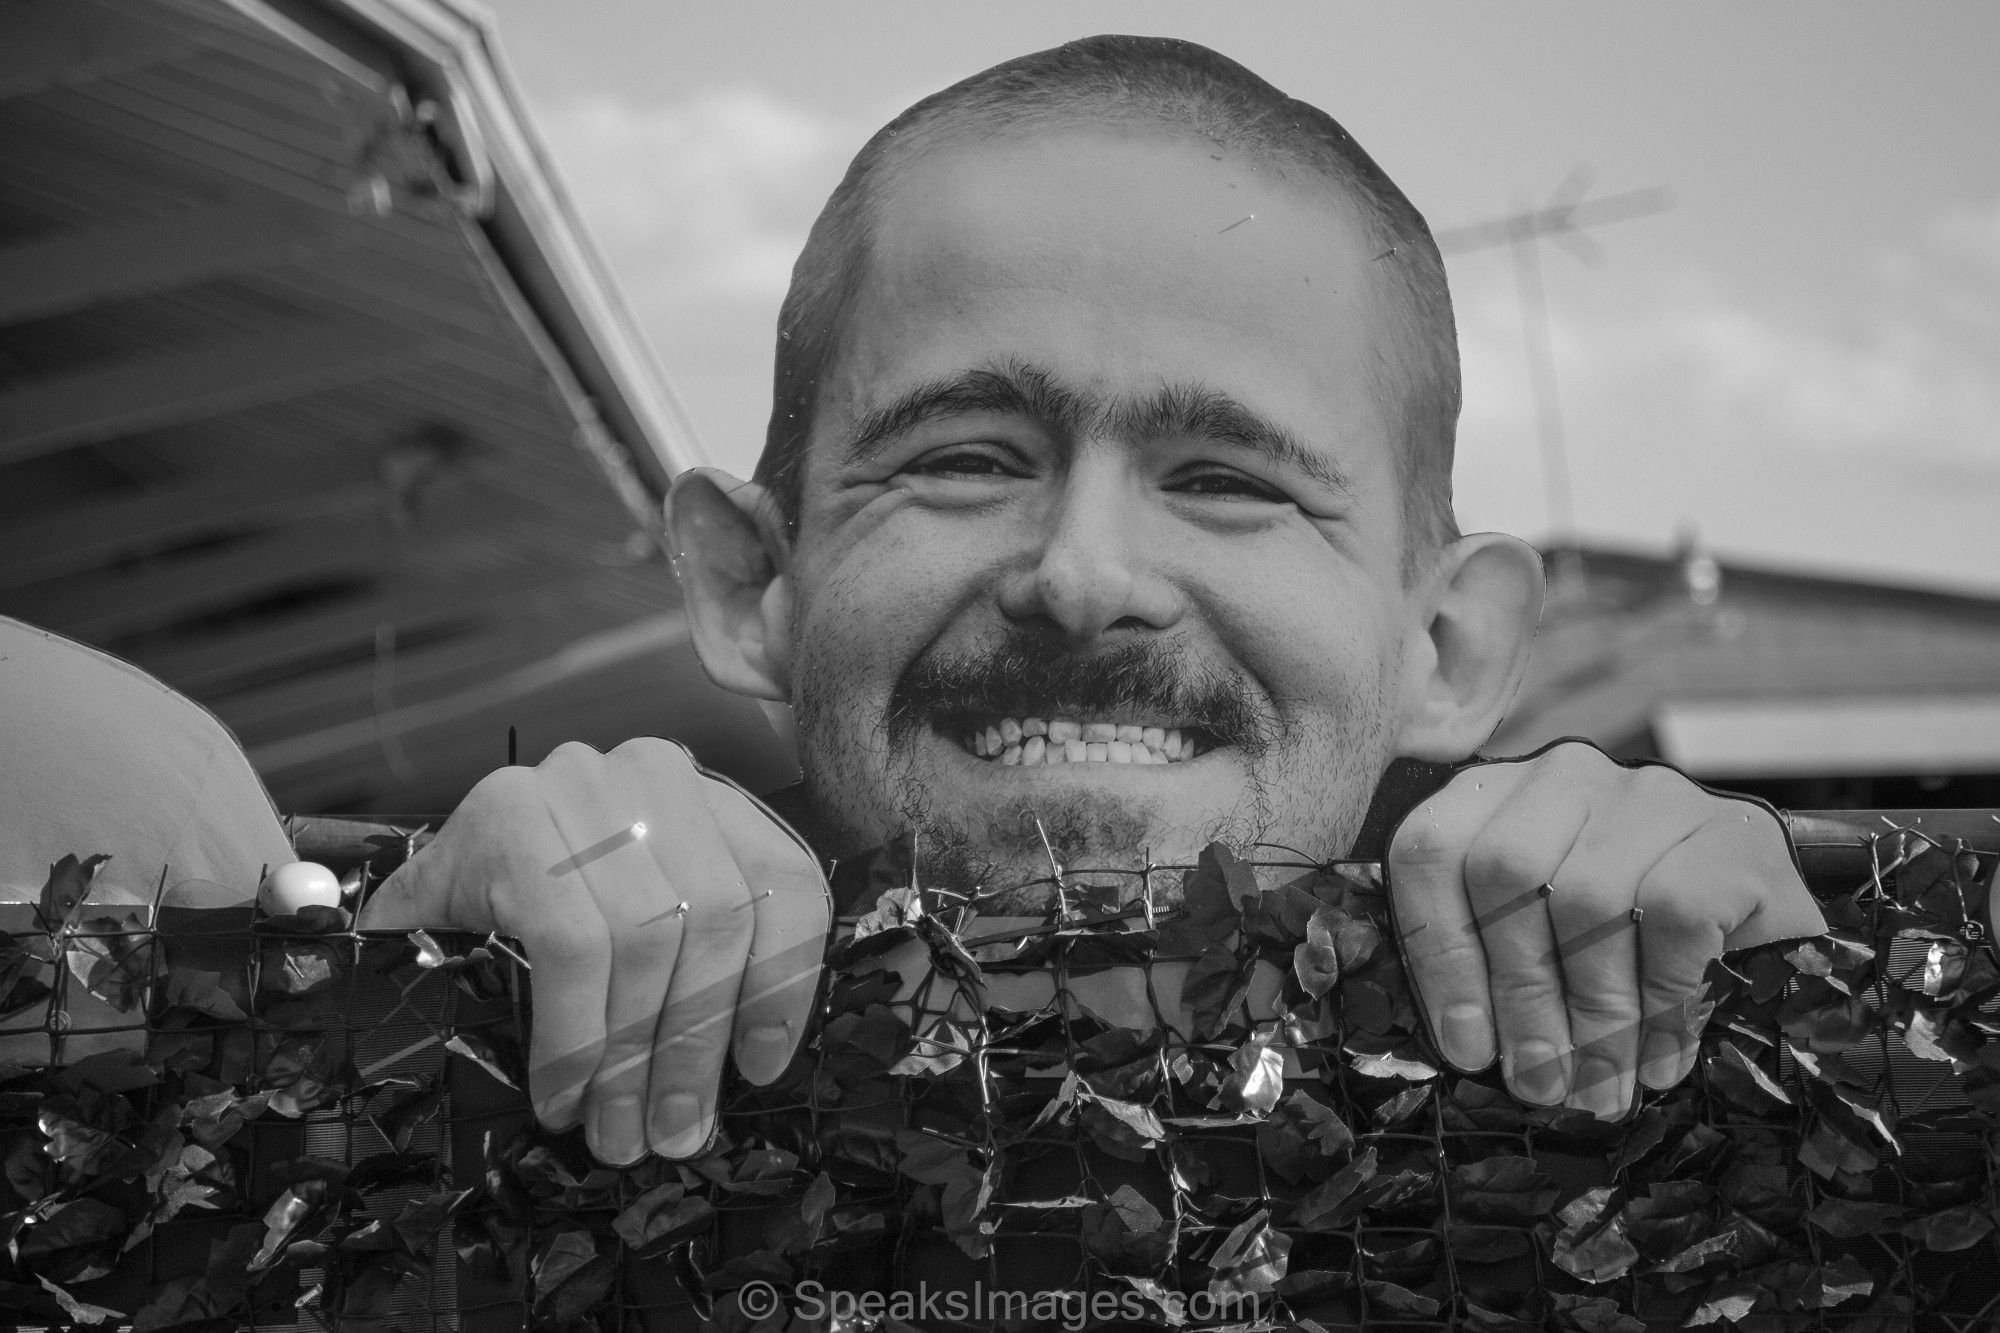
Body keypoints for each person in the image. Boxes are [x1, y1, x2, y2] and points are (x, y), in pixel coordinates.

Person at [357, 35, 1829, 1171]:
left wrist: (1837, 1023)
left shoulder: (1700, 1076)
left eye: (1232, 480)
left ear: (1446, 646)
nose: (1082, 575)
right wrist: (365, 1019)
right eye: (964, 458)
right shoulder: (472, 1038)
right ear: (755, 583)